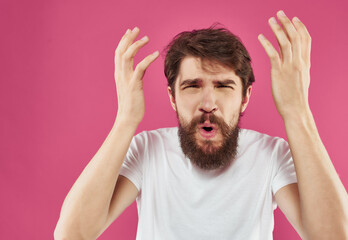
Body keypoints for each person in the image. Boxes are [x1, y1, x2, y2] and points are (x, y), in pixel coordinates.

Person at [54, 10, 348, 240]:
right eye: (193, 86)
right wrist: (125, 120)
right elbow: (72, 234)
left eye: (223, 86)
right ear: (172, 97)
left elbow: (335, 236)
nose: (208, 103)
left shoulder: (271, 155)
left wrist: (297, 112)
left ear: (245, 97)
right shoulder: (147, 150)